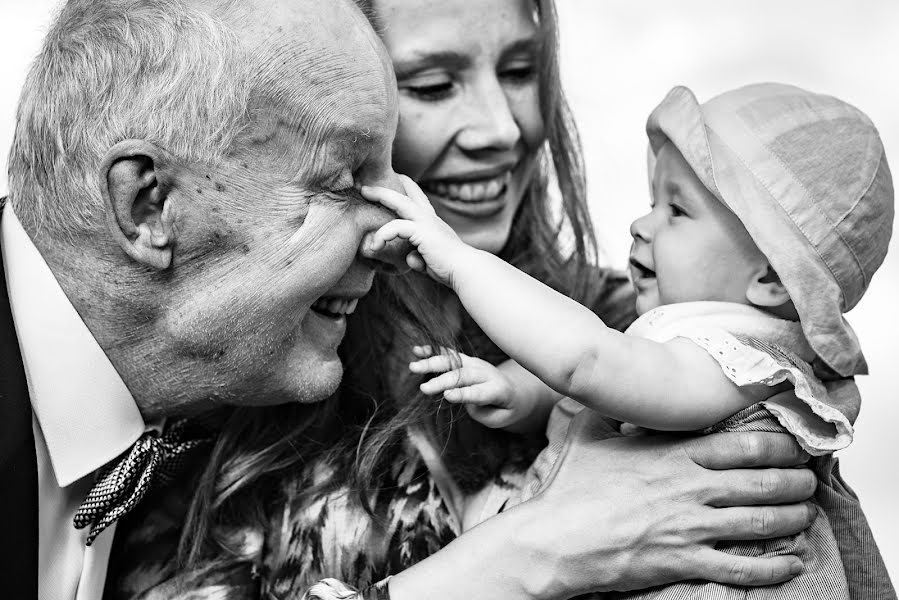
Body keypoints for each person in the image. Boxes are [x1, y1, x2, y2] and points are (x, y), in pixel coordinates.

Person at [0, 0, 818, 598]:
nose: (499, 127)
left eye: (523, 69)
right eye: (429, 84)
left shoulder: (651, 328)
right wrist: (532, 551)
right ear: (150, 206)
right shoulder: (217, 366)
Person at [361, 82, 897, 598]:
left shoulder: (746, 361)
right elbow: (610, 381)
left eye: (677, 211)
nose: (642, 224)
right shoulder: (687, 352)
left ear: (772, 278)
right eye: (652, 201)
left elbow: (591, 362)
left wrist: (461, 264)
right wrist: (519, 391)